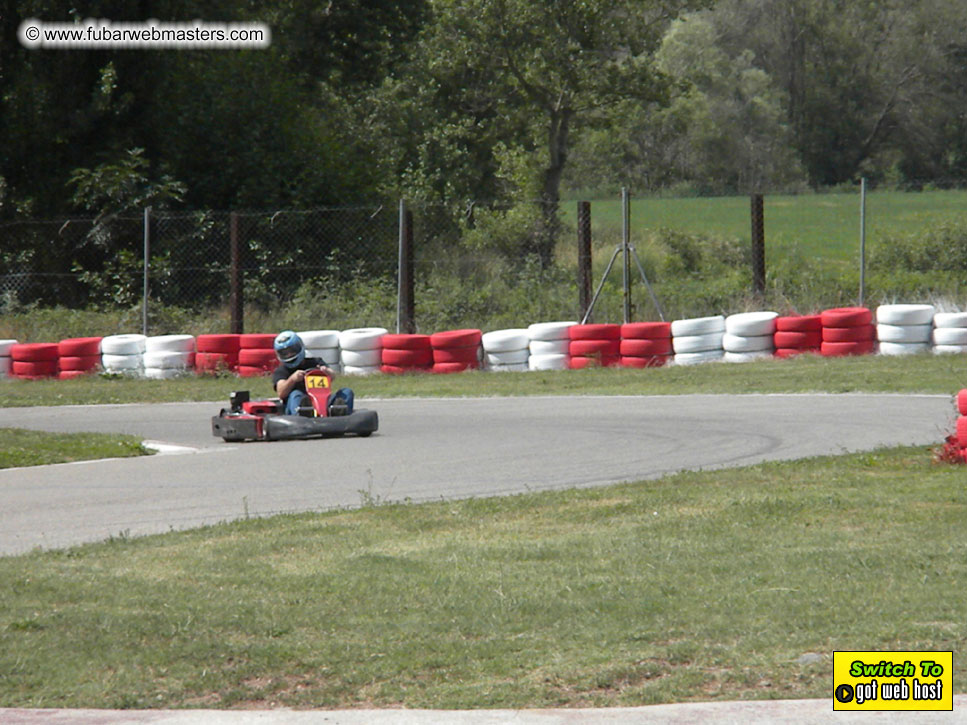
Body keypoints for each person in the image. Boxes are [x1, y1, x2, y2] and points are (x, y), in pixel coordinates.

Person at [271, 330, 353, 416]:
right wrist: (292, 379)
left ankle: (338, 413)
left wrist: (326, 371)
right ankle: (304, 413)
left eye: (292, 350)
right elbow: (281, 393)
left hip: (323, 401)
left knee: (347, 392)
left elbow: (332, 376)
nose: (289, 355)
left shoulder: (315, 362)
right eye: (284, 353)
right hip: (294, 406)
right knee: (296, 394)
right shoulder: (282, 371)